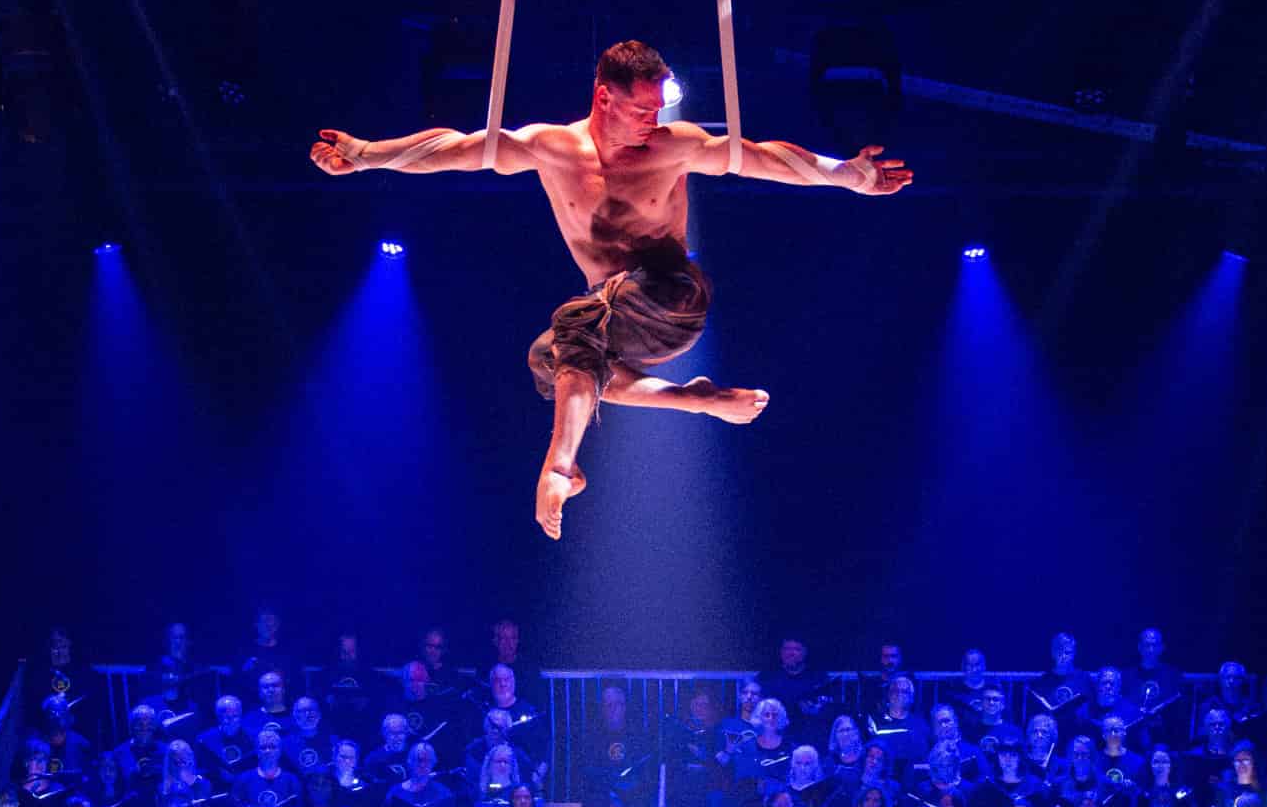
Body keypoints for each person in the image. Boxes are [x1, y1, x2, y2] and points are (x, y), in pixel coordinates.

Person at [311, 38, 911, 538]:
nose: (656, 121)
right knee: (550, 359)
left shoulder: (671, 148)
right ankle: (695, 398)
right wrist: (365, 155)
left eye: (658, 110)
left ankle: (560, 464)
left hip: (672, 298)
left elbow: (762, 157)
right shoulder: (554, 148)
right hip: (610, 316)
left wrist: (850, 176)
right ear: (603, 97)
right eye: (643, 110)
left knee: (576, 328)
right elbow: (460, 149)